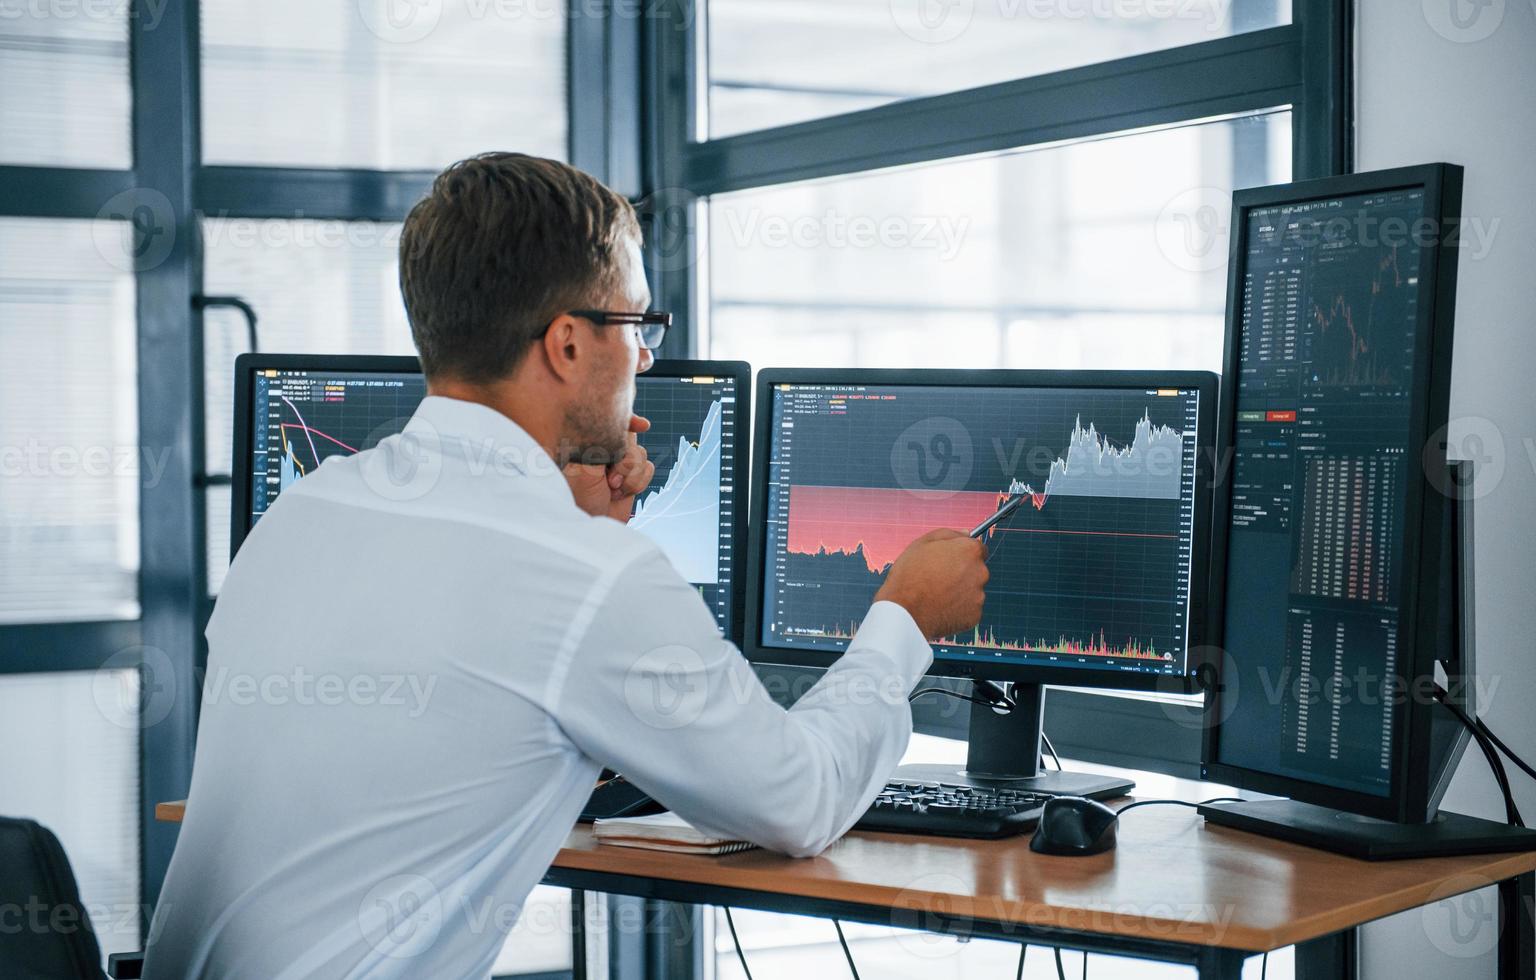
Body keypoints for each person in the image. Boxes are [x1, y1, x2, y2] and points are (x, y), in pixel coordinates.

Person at [143, 153, 989, 979]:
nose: (648, 358)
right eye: (638, 326)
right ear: (568, 345)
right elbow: (799, 802)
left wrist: (564, 512)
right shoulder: (589, 575)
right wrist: (904, 620)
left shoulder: (304, 510)